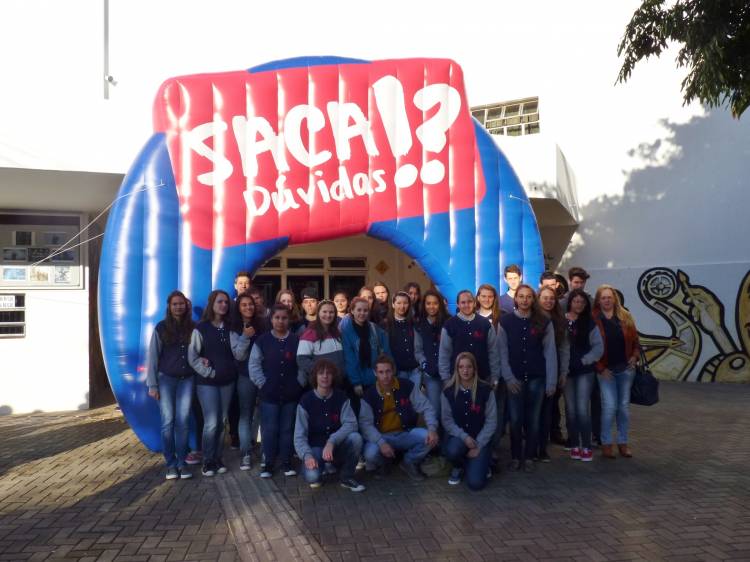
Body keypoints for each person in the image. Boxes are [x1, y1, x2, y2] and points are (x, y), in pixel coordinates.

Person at [499, 285, 558, 473]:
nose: (525, 300)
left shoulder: (544, 322)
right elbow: (502, 352)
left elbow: (550, 352)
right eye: (521, 296)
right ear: (515, 299)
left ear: (533, 299)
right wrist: (508, 377)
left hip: (537, 378)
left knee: (533, 420)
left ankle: (530, 456)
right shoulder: (505, 322)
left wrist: (551, 381)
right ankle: (516, 456)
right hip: (514, 378)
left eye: (528, 297)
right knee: (515, 419)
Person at [359, 354, 439, 481]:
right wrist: (381, 443)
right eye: (381, 372)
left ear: (393, 370)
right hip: (381, 436)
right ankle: (385, 463)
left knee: (429, 438)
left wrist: (432, 429)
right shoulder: (369, 395)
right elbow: (365, 424)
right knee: (370, 454)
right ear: (375, 373)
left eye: (388, 371)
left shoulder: (407, 386)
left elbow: (427, 407)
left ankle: (409, 461)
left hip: (405, 433)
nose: (385, 376)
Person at [188, 290, 241, 477]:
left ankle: (218, 458)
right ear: (212, 304)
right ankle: (208, 460)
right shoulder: (200, 328)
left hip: (227, 382)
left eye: (226, 302)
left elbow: (238, 353)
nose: (223, 305)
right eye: (220, 301)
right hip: (207, 383)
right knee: (211, 423)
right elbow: (193, 357)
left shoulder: (231, 327)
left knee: (222, 421)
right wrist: (209, 372)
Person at [146, 290, 197, 480]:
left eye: (181, 303)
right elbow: (153, 357)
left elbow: (198, 351)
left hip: (187, 380)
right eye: (175, 304)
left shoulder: (193, 327)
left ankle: (182, 463)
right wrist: (152, 385)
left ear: (186, 305)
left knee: (183, 422)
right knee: (167, 422)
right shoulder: (161, 328)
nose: (178, 307)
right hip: (166, 380)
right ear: (169, 306)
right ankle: (170, 464)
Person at [294, 359, 366, 492]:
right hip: (315, 448)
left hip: (336, 447)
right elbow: (299, 435)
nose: (325, 376)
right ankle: (320, 468)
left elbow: (351, 424)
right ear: (315, 376)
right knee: (312, 477)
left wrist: (332, 441)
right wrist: (307, 455)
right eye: (321, 373)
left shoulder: (341, 397)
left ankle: (346, 477)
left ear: (333, 376)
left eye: (329, 373)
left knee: (356, 438)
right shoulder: (306, 401)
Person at [249, 304, 303, 477]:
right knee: (269, 429)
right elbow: (254, 364)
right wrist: (262, 384)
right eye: (277, 318)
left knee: (287, 428)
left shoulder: (296, 340)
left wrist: (299, 383)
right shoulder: (262, 340)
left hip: (290, 394)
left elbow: (302, 364)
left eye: (284, 318)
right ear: (271, 319)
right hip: (269, 394)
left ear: (289, 319)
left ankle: (286, 461)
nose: (280, 321)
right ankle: (268, 463)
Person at [593, 285, 640, 459]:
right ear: (598, 300)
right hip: (606, 371)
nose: (606, 300)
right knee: (610, 407)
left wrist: (634, 356)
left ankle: (623, 443)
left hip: (626, 370)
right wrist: (600, 368)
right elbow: (588, 347)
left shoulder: (625, 316)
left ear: (614, 299)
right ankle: (606, 443)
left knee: (623, 408)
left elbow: (636, 341)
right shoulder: (593, 319)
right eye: (603, 297)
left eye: (609, 297)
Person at [441, 352, 498, 490]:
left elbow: (491, 421)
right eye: (461, 367)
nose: (465, 370)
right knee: (452, 450)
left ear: (474, 369)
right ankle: (459, 466)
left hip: (480, 439)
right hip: (459, 439)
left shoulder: (486, 390)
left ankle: (484, 462)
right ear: (456, 369)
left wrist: (479, 445)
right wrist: (464, 437)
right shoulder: (448, 391)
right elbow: (447, 421)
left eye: (469, 367)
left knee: (475, 484)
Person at [563, 288, 604, 462]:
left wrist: (585, 360)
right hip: (567, 372)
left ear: (586, 304)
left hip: (584, 372)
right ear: (570, 303)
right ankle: (574, 444)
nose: (578, 304)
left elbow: (598, 347)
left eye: (582, 302)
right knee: (571, 411)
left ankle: (586, 446)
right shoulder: (562, 321)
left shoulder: (590, 323)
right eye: (575, 301)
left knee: (582, 409)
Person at [231, 292, 265, 471]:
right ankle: (246, 453)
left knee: (264, 413)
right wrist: (245, 336)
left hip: (264, 375)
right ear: (238, 307)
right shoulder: (234, 327)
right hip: (245, 376)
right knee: (246, 414)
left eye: (250, 304)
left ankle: (265, 450)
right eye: (244, 305)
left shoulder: (263, 324)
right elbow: (238, 355)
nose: (248, 307)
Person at [438, 290, 500, 386]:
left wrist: (495, 377)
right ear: (458, 304)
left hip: (483, 378)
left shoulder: (486, 324)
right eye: (463, 302)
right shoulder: (449, 325)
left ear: (474, 303)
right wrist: (445, 378)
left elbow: (493, 352)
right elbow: (444, 354)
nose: (467, 305)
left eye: (470, 301)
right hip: (457, 380)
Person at [536, 286, 569, 462]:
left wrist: (563, 372)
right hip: (534, 371)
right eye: (545, 298)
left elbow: (564, 348)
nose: (548, 301)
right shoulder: (531, 318)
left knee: (548, 410)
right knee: (534, 411)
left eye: (551, 298)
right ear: (538, 299)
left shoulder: (560, 321)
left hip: (553, 371)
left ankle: (543, 447)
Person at [340, 296, 391, 403]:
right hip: (357, 381)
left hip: (375, 379)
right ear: (352, 311)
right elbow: (349, 358)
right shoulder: (346, 331)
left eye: (365, 310)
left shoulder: (373, 328)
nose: (362, 313)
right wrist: (356, 382)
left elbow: (386, 349)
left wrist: (387, 372)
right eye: (359, 310)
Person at [415, 288, 451, 420]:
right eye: (428, 303)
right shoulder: (419, 324)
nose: (432, 306)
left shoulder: (449, 322)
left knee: (449, 410)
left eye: (435, 303)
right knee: (435, 410)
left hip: (448, 373)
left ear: (440, 304)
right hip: (431, 374)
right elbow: (418, 350)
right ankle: (436, 433)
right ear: (424, 305)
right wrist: (424, 364)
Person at [382, 291, 425, 387]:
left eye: (405, 303)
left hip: (415, 369)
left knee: (415, 396)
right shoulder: (386, 324)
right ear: (393, 304)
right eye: (399, 303)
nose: (402, 306)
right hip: (397, 371)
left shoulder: (414, 323)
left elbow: (419, 346)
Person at [297, 300, 345, 385]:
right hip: (321, 384)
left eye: (331, 312)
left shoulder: (337, 332)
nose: (328, 315)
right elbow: (301, 359)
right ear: (318, 313)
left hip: (339, 382)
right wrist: (320, 372)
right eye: (324, 312)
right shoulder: (310, 333)